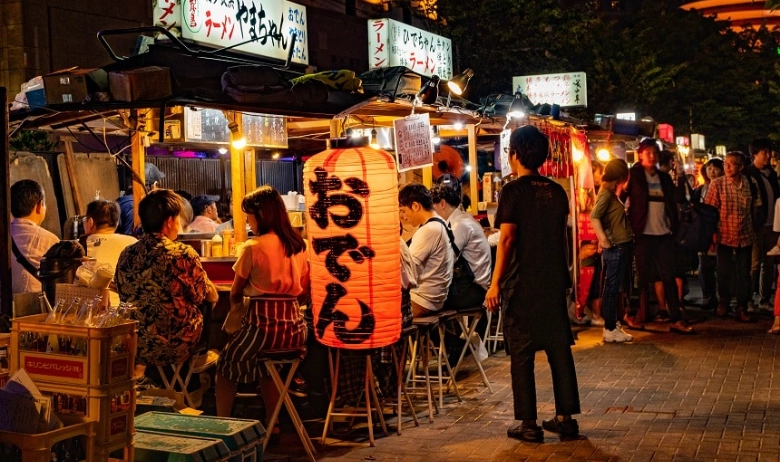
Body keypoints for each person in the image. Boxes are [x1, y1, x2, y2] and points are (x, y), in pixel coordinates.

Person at [484, 125, 580, 442]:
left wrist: (495, 284)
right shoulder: (557, 191)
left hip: (522, 282)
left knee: (522, 352)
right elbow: (561, 237)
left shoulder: (513, 191)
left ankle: (528, 423)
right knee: (559, 349)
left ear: (514, 154)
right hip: (553, 280)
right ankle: (566, 419)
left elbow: (507, 239)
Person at [215, 186, 309, 438]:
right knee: (270, 369)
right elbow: (303, 289)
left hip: (263, 327)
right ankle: (273, 423)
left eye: (249, 216)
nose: (248, 221)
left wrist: (237, 312)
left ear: (261, 215)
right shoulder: (298, 245)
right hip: (295, 329)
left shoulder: (253, 247)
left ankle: (222, 423)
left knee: (224, 364)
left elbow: (235, 292)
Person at [115, 189, 219, 371]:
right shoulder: (182, 254)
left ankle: (157, 375)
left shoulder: (127, 253)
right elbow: (203, 296)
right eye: (178, 218)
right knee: (209, 302)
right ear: (170, 221)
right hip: (176, 347)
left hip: (136, 345)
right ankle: (198, 361)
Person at [622, 139, 692, 334]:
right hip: (643, 235)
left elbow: (679, 199)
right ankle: (631, 314)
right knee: (642, 278)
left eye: (655, 153)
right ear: (640, 155)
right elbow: (621, 199)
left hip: (664, 234)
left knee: (669, 276)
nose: (652, 156)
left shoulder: (664, 177)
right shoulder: (633, 176)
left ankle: (675, 319)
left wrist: (681, 176)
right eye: (648, 153)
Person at [704, 151, 760, 323]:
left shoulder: (750, 183)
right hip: (724, 235)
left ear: (741, 167)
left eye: (732, 163)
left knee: (744, 273)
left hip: (745, 234)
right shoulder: (717, 184)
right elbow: (709, 212)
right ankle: (724, 302)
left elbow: (756, 207)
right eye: (725, 163)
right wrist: (713, 234)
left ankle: (741, 307)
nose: (727, 167)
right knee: (723, 272)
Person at [590, 158, 634, 343]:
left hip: (618, 246)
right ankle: (610, 328)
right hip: (616, 247)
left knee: (613, 288)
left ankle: (612, 325)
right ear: (622, 176)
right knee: (612, 288)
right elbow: (594, 216)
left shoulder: (609, 193)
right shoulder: (606, 194)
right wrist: (604, 239)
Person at [430, 183, 492, 310]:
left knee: (427, 300)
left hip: (473, 290)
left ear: (442, 203)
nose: (430, 212)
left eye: (431, 207)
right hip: (471, 286)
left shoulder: (461, 225)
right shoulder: (460, 220)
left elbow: (446, 260)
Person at [398, 183, 455, 317]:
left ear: (415, 206)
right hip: (434, 300)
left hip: (422, 301)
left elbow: (409, 274)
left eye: (403, 211)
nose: (403, 217)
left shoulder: (428, 230)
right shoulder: (441, 223)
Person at [744, 138, 779, 311]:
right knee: (754, 263)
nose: (768, 155)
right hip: (756, 226)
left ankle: (764, 299)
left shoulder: (771, 174)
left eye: (769, 151)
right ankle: (749, 299)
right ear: (754, 154)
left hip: (773, 225)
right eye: (764, 152)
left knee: (769, 264)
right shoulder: (748, 174)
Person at [82, 199, 137, 305]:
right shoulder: (133, 242)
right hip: (127, 308)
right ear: (116, 223)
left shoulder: (82, 245)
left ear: (90, 222)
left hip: (91, 308)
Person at [10, 179, 59, 294]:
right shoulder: (50, 240)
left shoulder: (4, 235)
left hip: (4, 302)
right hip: (36, 302)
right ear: (39, 205)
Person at [693, 158, 724, 310]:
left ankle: (722, 297)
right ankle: (707, 295)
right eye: (709, 168)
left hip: (721, 230)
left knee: (720, 265)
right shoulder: (700, 189)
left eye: (715, 168)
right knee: (704, 264)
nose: (712, 171)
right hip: (703, 231)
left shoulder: (724, 187)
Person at [117, 162, 166, 235]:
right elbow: (130, 237)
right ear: (155, 185)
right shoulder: (134, 206)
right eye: (158, 185)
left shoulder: (124, 200)